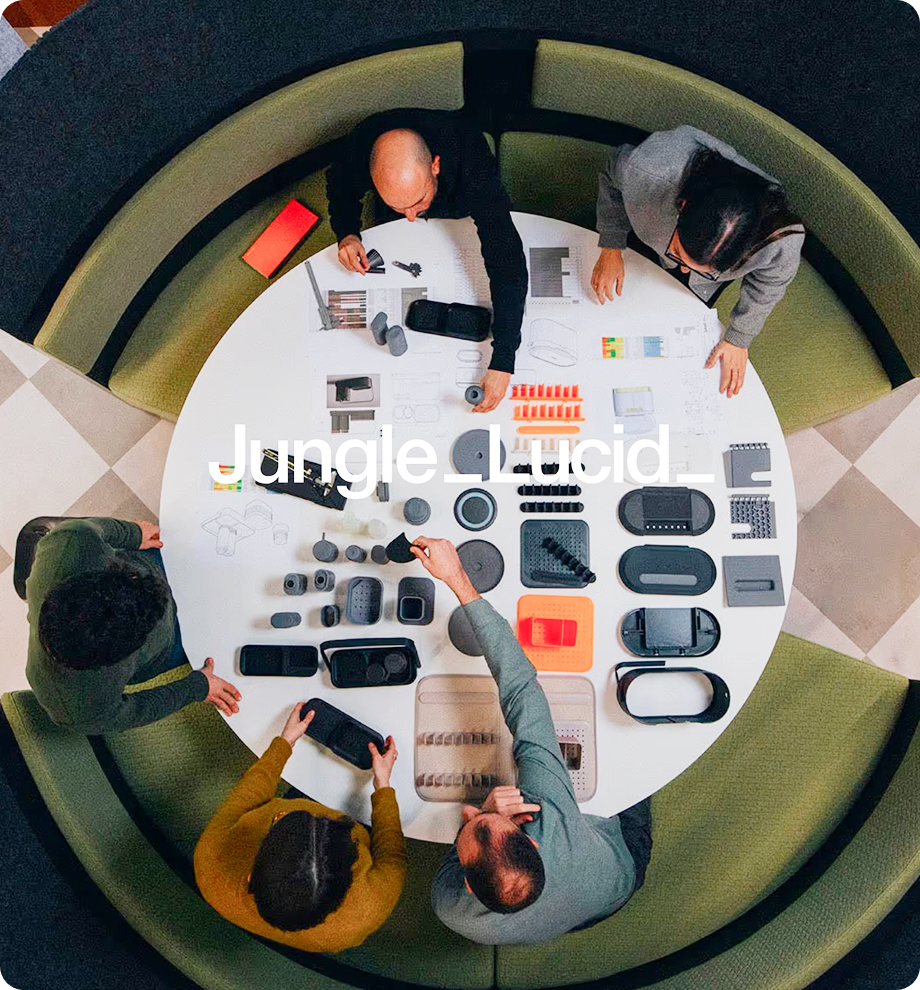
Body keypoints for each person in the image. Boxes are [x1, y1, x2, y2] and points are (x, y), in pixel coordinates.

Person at [411, 537, 651, 944]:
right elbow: (523, 692)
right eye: (479, 816)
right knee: (635, 747)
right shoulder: (553, 821)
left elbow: (462, 858)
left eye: (468, 821)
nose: (468, 810)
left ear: (468, 884)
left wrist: (489, 811)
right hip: (614, 883)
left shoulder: (449, 905)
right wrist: (458, 580)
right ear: (533, 842)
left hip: (581, 889)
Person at [326, 108, 529, 412]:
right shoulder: (360, 147)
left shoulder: (471, 156)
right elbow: (340, 187)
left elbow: (506, 258)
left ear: (435, 165)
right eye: (399, 207)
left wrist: (503, 358)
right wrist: (347, 234)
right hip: (401, 221)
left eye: (417, 201)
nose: (411, 217)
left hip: (460, 201)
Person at [592, 125, 804, 398]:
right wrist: (611, 245)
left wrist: (739, 338)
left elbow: (769, 284)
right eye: (678, 254)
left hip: (703, 281)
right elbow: (611, 176)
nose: (683, 269)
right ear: (682, 206)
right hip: (645, 236)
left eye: (706, 270)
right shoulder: (645, 171)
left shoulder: (781, 239)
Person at [194, 704, 406, 951]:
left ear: (252, 875)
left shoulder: (210, 862)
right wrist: (383, 785)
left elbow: (246, 798)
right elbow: (392, 856)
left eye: (281, 821)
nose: (320, 814)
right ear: (348, 883)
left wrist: (285, 742)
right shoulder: (367, 910)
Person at [26, 517, 240, 734]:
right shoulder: (79, 709)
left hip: (152, 566)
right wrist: (196, 688)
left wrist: (133, 534)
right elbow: (138, 710)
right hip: (169, 644)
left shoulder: (71, 543)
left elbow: (84, 528)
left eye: (133, 577)